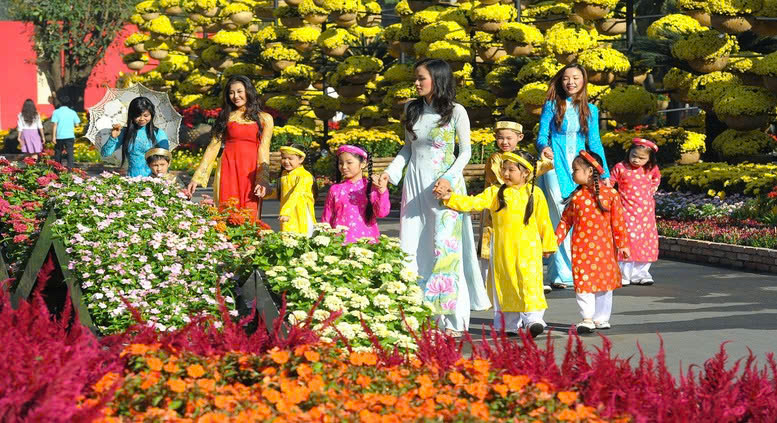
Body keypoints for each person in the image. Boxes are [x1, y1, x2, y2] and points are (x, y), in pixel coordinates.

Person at [374, 58, 490, 336]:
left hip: (444, 189)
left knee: (445, 250)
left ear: (437, 80)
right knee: (412, 248)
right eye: (415, 78)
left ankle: (454, 321)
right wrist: (390, 174)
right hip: (414, 187)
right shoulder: (412, 110)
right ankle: (419, 317)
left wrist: (448, 179)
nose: (416, 83)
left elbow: (465, 152)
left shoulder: (456, 112)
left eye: (421, 78)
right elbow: (407, 149)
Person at [435, 151, 557, 338]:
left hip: (529, 249)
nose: (505, 173)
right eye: (503, 169)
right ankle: (509, 324)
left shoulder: (535, 193)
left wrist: (548, 244)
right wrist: (450, 198)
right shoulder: (495, 192)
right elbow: (474, 203)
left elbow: (544, 221)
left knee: (530, 281)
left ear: (525, 173)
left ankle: (534, 320)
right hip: (503, 249)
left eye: (511, 170)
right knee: (505, 282)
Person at [537, 64, 610, 290]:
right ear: (560, 81)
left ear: (583, 81)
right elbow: (541, 136)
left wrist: (603, 173)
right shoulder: (551, 106)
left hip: (580, 168)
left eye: (576, 78)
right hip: (554, 166)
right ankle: (562, 273)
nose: (571, 82)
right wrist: (544, 148)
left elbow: (595, 143)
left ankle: (565, 270)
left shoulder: (591, 110)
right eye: (566, 78)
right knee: (559, 214)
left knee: (575, 216)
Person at [555, 150, 630, 334]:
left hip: (605, 249)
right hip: (581, 249)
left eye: (575, 170)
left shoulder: (610, 195)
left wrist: (623, 244)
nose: (572, 173)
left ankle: (602, 318)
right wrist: (553, 241)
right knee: (583, 283)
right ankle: (587, 318)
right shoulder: (576, 197)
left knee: (605, 284)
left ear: (590, 171)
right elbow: (565, 221)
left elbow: (618, 222)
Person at [481, 120, 554, 293]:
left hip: (521, 210)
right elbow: (503, 181)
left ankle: (529, 282)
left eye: (509, 138)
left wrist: (545, 159)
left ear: (519, 137)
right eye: (500, 138)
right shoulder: (495, 159)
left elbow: (532, 170)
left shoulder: (523, 157)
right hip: (500, 207)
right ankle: (490, 289)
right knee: (493, 249)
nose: (504, 142)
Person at [188, 75, 273, 219]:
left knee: (250, 214)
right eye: (231, 92)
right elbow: (212, 148)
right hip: (228, 169)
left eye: (240, 91)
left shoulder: (265, 118)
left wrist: (262, 178)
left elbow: (264, 149)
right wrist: (196, 177)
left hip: (251, 172)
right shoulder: (226, 117)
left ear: (248, 91)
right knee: (227, 211)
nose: (235, 96)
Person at [611, 138, 661, 286]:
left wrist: (652, 189)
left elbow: (656, 179)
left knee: (646, 241)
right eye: (634, 155)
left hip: (646, 212)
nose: (637, 160)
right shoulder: (620, 167)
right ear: (629, 153)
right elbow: (611, 181)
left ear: (649, 159)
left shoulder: (651, 169)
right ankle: (623, 274)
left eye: (642, 158)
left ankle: (641, 273)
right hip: (625, 210)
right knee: (628, 240)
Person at [322, 144, 390, 244]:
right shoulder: (335, 189)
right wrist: (324, 238)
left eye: (349, 162)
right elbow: (326, 218)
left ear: (363, 163)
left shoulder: (371, 187)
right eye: (341, 163)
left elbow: (382, 213)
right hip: (339, 244)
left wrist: (382, 191)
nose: (344, 167)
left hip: (366, 245)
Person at [101, 97, 169, 177]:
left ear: (151, 114)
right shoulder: (124, 133)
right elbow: (105, 153)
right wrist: (112, 137)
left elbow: (165, 161)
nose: (142, 119)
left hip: (153, 180)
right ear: (132, 115)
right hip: (131, 181)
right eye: (138, 116)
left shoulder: (158, 133)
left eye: (146, 115)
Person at [276, 145, 316, 235]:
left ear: (301, 159)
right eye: (283, 158)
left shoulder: (305, 176)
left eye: (290, 158)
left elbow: (296, 194)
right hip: (287, 213)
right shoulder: (284, 174)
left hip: (300, 213)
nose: (286, 161)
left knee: (302, 237)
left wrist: (286, 212)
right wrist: (266, 193)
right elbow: (282, 192)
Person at [50, 94, 82, 169]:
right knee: (70, 153)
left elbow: (55, 125)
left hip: (59, 135)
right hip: (70, 135)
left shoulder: (56, 112)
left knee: (58, 152)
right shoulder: (72, 112)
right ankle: (70, 169)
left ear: (60, 103)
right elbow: (77, 124)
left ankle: (57, 169)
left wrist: (53, 137)